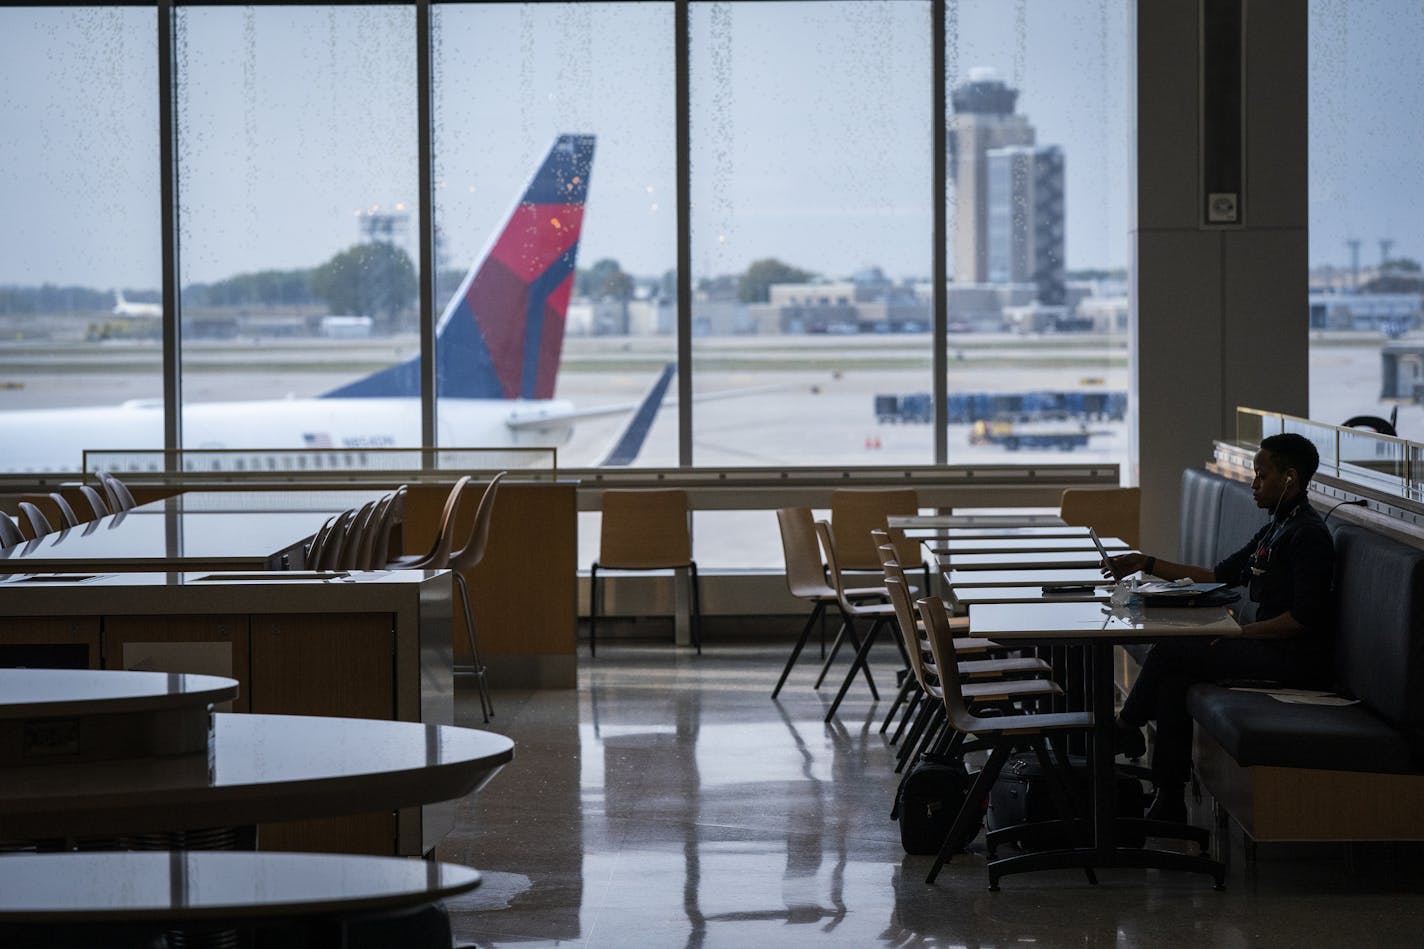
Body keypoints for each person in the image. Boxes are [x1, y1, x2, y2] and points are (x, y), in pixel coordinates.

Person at [1105, 432, 1335, 822]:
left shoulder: (1308, 535)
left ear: (1291, 478)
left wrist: (1238, 635)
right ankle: (1168, 797)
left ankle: (1126, 724)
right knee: (1175, 678)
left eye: (1262, 475)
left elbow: (1300, 620)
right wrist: (1146, 563)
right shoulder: (1277, 528)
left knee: (1173, 652)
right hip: (1264, 648)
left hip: (1290, 660)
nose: (1253, 484)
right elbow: (1216, 575)